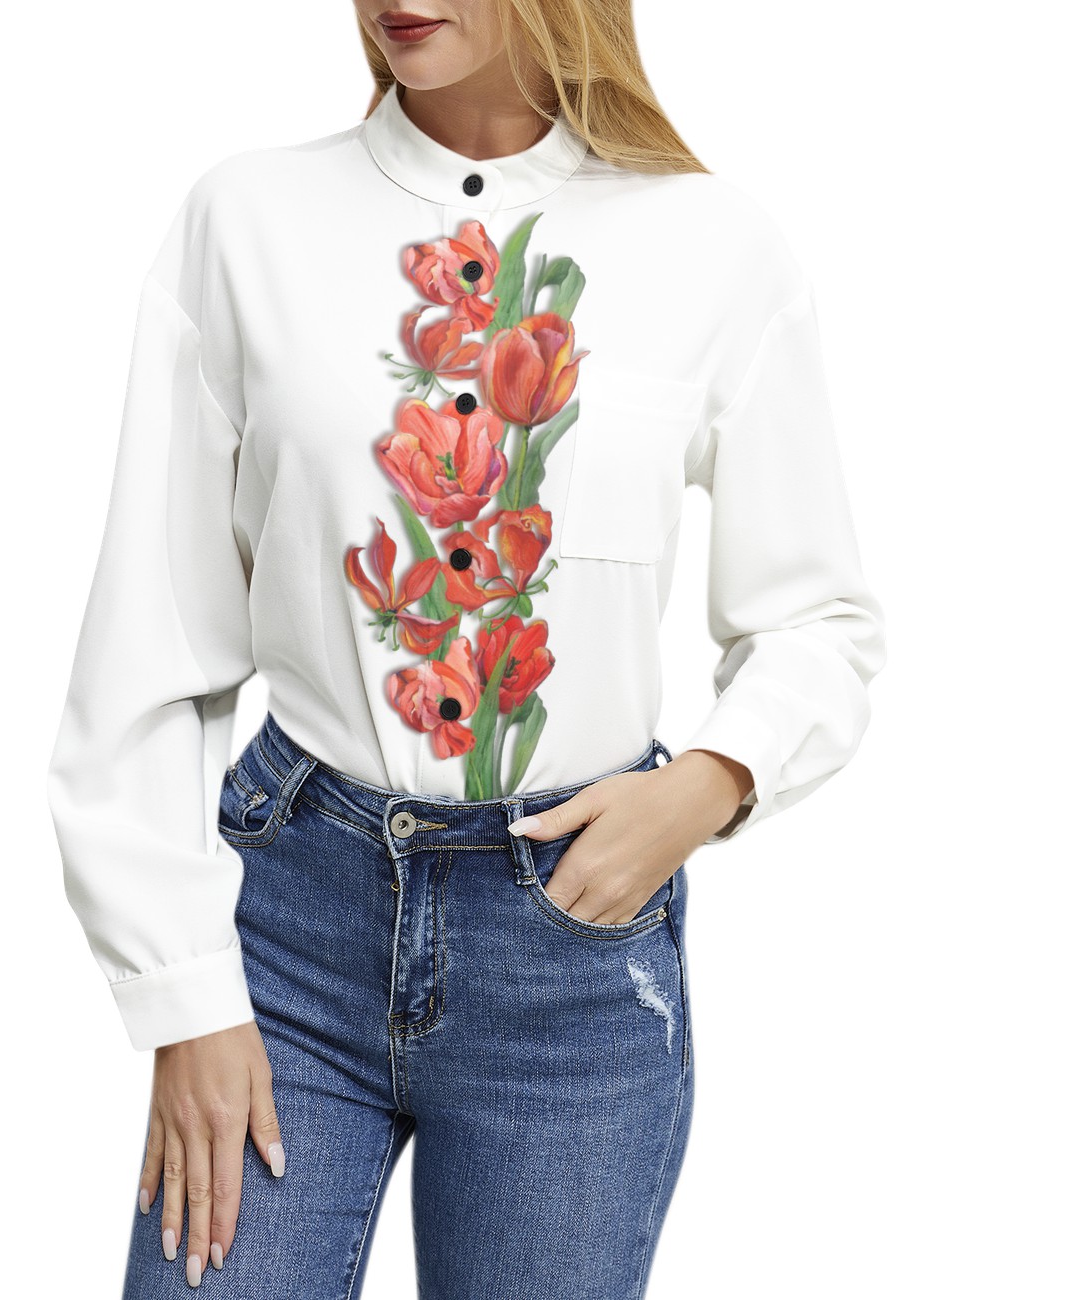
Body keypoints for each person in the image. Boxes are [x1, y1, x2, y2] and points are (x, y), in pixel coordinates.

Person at [46, 1, 887, 1294]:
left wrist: (703, 789)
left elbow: (820, 620)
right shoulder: (246, 221)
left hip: (573, 950)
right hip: (288, 934)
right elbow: (151, 642)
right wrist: (181, 992)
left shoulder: (716, 248)